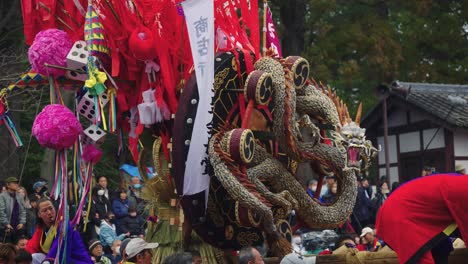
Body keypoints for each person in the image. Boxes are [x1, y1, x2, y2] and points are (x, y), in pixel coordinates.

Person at [376, 174, 468, 264]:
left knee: (442, 250)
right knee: (422, 259)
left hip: (427, 219)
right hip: (400, 214)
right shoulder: (463, 188)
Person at [25, 197, 92, 263]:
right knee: (34, 257)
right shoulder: (41, 229)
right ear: (39, 214)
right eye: (45, 210)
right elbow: (32, 246)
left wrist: (48, 260)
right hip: (55, 259)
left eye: (51, 208)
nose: (49, 212)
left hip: (74, 260)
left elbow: (59, 245)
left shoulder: (65, 225)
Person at [0, 177, 26, 243]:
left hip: (18, 227)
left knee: (18, 248)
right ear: (8, 185)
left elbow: (23, 210)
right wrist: (6, 224)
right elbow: (1, 212)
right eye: (14, 183)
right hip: (6, 228)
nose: (17, 184)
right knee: (7, 248)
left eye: (17, 183)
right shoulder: (2, 196)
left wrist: (22, 222)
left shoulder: (19, 196)